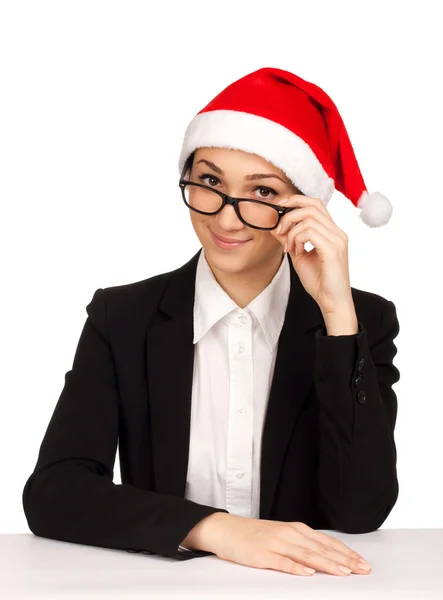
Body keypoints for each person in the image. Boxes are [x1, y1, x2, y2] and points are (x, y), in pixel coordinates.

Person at [22, 67, 400, 578]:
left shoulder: (362, 321)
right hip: (161, 585)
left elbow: (360, 512)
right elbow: (54, 492)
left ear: (302, 207)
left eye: (263, 192)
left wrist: (337, 316)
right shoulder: (123, 317)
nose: (226, 219)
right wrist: (217, 529)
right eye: (209, 182)